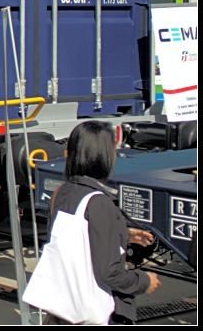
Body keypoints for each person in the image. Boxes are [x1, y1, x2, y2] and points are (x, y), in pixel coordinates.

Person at [45, 121, 160, 324]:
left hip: (64, 309)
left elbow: (76, 239)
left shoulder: (61, 193)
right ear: (104, 155)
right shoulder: (99, 202)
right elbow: (110, 273)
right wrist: (144, 282)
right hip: (99, 314)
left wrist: (122, 233)